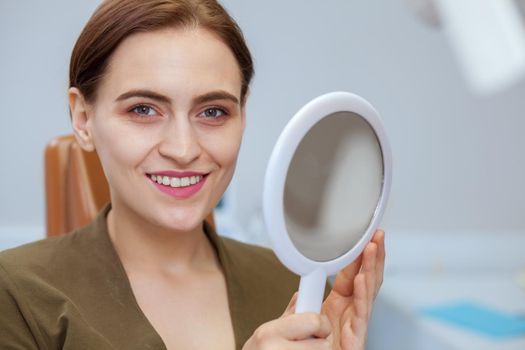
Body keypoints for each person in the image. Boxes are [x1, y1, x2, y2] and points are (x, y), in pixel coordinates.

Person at [0, 0, 385, 349]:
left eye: (213, 112)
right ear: (83, 119)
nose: (183, 150)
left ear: (242, 114)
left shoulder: (298, 294)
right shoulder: (16, 293)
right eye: (144, 110)